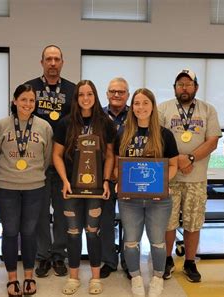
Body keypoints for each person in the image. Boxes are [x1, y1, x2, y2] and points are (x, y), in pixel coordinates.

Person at [52, 80, 116, 295]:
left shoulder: (105, 123)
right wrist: (65, 180)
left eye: (90, 94)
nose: (86, 98)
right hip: (71, 188)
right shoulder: (65, 123)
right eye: (81, 95)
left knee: (92, 232)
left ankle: (95, 278)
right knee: (72, 232)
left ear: (95, 96)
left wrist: (106, 180)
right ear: (76, 98)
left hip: (96, 188)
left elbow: (109, 155)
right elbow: (56, 155)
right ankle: (74, 277)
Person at [158, 69, 221, 281]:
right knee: (168, 222)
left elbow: (212, 141)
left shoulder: (207, 110)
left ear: (196, 87)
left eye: (188, 84)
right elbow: (157, 141)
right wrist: (178, 160)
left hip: (196, 179)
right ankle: (166, 259)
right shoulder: (163, 109)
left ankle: (190, 262)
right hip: (170, 177)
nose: (184, 88)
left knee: (194, 222)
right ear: (174, 88)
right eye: (180, 84)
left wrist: (191, 158)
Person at [0, 84, 53, 296]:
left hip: (34, 188)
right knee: (9, 232)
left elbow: (47, 158)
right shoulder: (1, 125)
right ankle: (11, 278)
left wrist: (32, 174)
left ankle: (28, 276)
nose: (28, 104)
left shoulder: (44, 127)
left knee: (28, 232)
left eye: (32, 101)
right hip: (6, 187)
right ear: (15, 101)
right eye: (23, 99)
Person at [115, 88, 179, 297]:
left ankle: (158, 277)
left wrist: (161, 183)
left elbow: (173, 166)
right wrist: (118, 181)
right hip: (129, 199)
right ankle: (135, 277)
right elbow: (117, 165)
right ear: (131, 107)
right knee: (131, 240)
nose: (140, 107)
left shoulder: (165, 134)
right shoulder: (123, 134)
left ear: (153, 106)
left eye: (145, 103)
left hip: (158, 199)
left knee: (157, 241)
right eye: (136, 103)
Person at [24, 45, 76, 278]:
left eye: (57, 59)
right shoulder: (30, 88)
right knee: (40, 212)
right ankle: (42, 256)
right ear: (41, 62)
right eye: (48, 59)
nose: (53, 63)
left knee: (64, 210)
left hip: (65, 163)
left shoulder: (73, 90)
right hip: (37, 163)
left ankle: (58, 254)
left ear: (62, 62)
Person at [99, 77, 130, 279]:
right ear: (107, 94)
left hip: (129, 177)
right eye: (113, 91)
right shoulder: (98, 116)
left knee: (130, 222)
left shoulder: (136, 115)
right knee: (105, 221)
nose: (116, 95)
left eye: (121, 91)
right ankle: (109, 261)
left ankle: (129, 262)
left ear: (127, 94)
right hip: (104, 176)